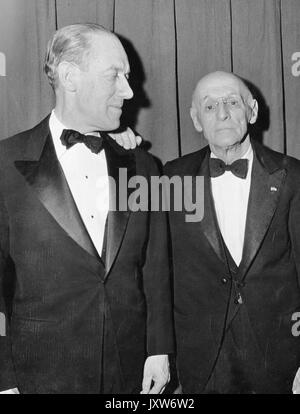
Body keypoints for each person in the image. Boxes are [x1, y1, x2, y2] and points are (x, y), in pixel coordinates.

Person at [0, 23, 174, 394]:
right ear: (69, 76)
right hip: (39, 376)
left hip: (129, 375)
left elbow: (155, 269)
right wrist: (4, 379)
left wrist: (158, 349)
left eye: (128, 77)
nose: (129, 92)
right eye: (115, 76)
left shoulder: (144, 167)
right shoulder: (4, 162)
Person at [164, 71, 300, 394]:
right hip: (203, 358)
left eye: (232, 103)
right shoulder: (172, 177)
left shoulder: (293, 176)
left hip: (279, 356)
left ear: (252, 111)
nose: (222, 113)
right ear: (196, 120)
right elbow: (154, 264)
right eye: (209, 107)